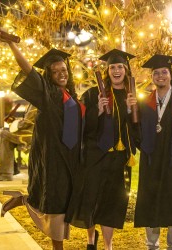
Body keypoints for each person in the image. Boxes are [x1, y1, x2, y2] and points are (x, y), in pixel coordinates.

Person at [0, 31, 85, 250]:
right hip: (53, 158)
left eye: (64, 70)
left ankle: (21, 200)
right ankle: (57, 248)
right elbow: (28, 70)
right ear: (49, 75)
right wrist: (11, 45)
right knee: (55, 204)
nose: (61, 74)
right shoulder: (48, 95)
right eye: (55, 71)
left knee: (65, 204)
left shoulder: (72, 97)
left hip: (71, 159)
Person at [65, 49, 137, 250]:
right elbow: (83, 128)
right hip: (95, 156)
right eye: (112, 67)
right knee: (91, 199)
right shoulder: (93, 93)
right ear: (107, 70)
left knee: (112, 203)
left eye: (120, 67)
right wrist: (96, 109)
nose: (116, 70)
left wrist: (133, 111)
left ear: (126, 70)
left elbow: (135, 130)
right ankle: (90, 240)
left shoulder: (130, 95)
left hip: (118, 159)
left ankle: (108, 245)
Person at [129, 54, 172, 250]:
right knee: (151, 199)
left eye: (164, 72)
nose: (160, 76)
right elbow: (136, 131)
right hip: (152, 159)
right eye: (156, 73)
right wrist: (128, 111)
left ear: (170, 74)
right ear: (152, 77)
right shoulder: (145, 102)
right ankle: (152, 244)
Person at [0, 103, 37, 181]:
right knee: (5, 134)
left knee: (4, 134)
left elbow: (27, 122)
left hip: (30, 136)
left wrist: (14, 123)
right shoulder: (33, 102)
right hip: (31, 134)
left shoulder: (34, 104)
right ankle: (7, 170)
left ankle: (6, 172)